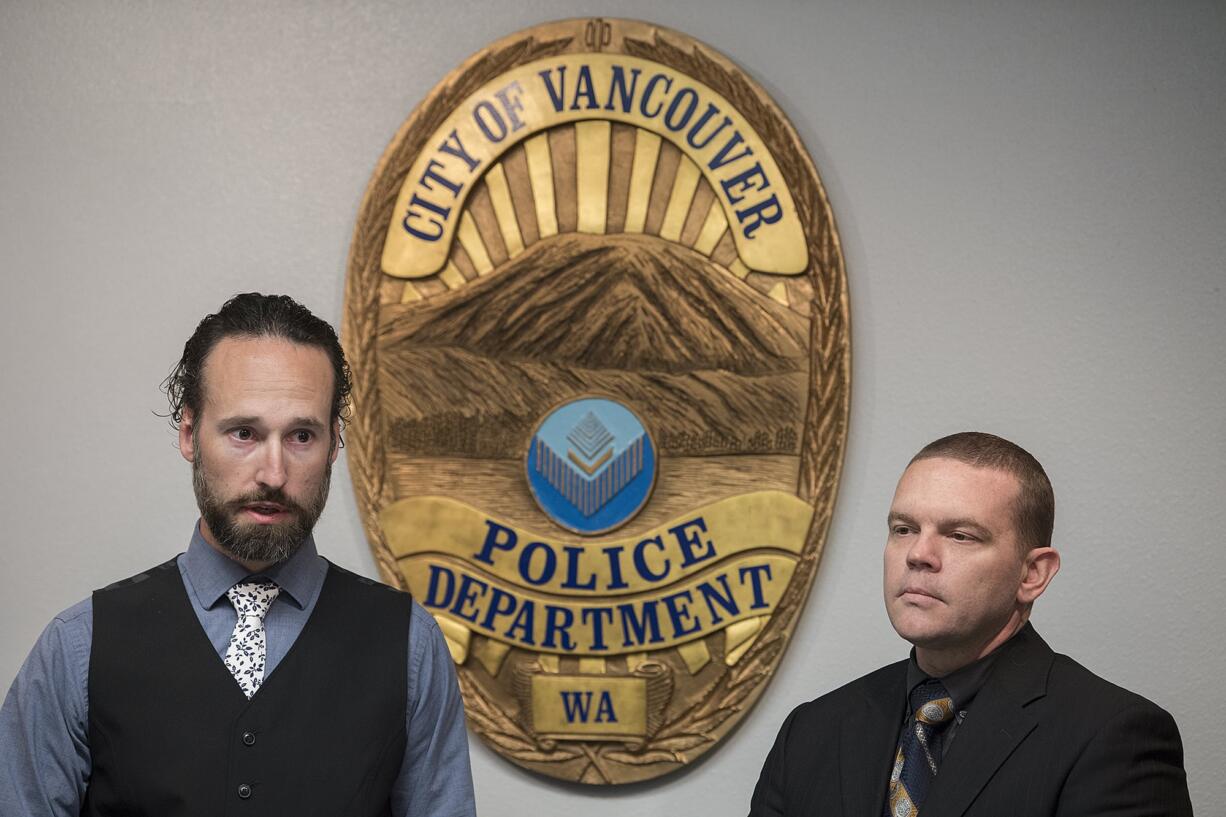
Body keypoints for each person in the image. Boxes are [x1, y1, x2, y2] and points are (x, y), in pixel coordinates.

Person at [0, 293, 477, 816]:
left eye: (301, 435)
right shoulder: (77, 649)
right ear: (189, 434)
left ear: (335, 444)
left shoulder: (411, 646)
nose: (273, 474)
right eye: (244, 433)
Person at [748, 432, 1192, 817]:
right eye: (903, 528)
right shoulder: (812, 730)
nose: (918, 554)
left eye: (960, 535)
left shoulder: (1112, 736)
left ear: (1032, 574)